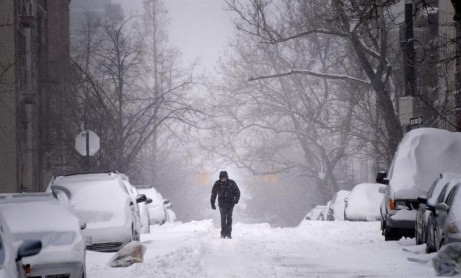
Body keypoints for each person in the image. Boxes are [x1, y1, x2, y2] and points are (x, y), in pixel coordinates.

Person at [210, 171, 240, 239]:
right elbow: (213, 194)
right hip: (222, 204)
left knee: (229, 218)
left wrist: (236, 199)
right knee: (223, 218)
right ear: (220, 178)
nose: (223, 179)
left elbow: (237, 192)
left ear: (227, 177)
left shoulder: (231, 183)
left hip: (230, 203)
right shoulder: (217, 184)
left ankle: (229, 233)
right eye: (222, 178)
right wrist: (212, 203)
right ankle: (223, 233)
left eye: (224, 177)